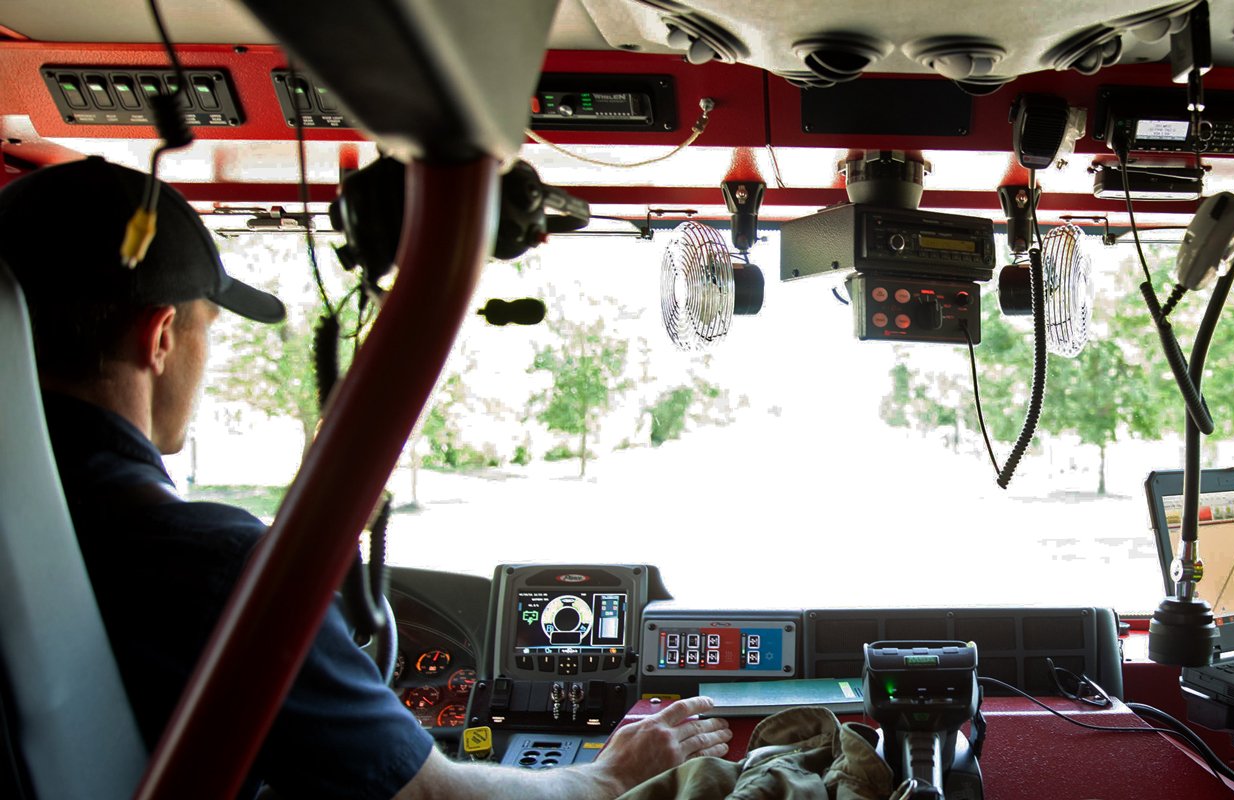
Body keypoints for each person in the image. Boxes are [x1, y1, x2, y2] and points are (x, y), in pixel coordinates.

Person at [0, 156, 730, 798]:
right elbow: (426, 798)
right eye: (207, 331)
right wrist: (611, 774)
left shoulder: (46, 525)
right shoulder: (203, 563)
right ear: (159, 337)